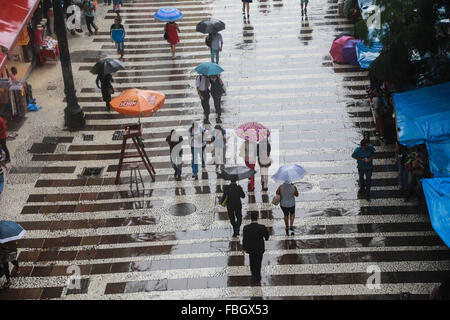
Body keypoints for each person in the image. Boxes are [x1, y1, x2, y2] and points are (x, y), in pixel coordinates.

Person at [242, 211, 269, 284]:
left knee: (252, 262)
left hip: (250, 248)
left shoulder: (246, 228)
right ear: (257, 217)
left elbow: (244, 238)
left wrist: (244, 248)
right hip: (259, 248)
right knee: (258, 262)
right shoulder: (262, 227)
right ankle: (257, 275)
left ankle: (253, 275)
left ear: (251, 218)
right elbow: (267, 237)